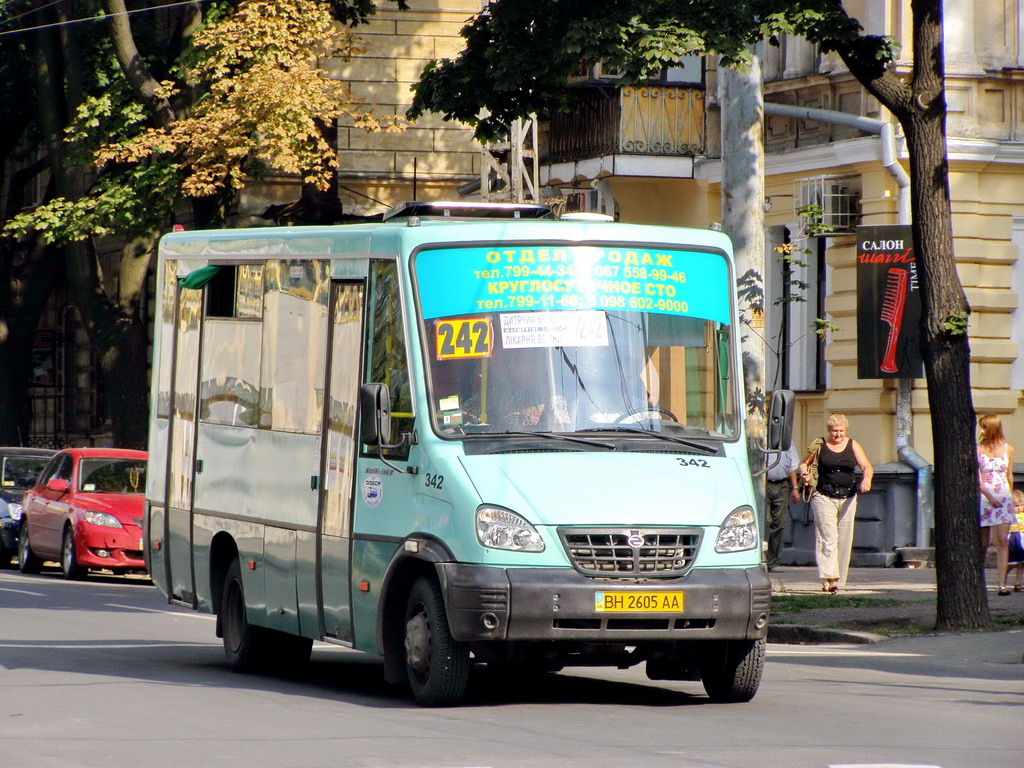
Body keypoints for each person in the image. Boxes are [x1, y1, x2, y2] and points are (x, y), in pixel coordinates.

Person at [797, 414, 873, 594]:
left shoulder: (853, 444)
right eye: (834, 431)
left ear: (846, 430)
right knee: (828, 537)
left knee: (845, 538)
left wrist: (867, 479)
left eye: (841, 431)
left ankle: (839, 578)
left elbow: (866, 466)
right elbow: (803, 463)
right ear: (828, 430)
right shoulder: (819, 444)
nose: (838, 435)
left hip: (848, 496)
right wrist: (804, 475)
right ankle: (830, 578)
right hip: (823, 495)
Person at [977, 413, 1016, 596]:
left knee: (1002, 541)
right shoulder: (977, 450)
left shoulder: (1008, 449)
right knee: (983, 542)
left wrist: (1010, 496)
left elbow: (1009, 474)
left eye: (983, 426)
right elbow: (978, 479)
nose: (981, 430)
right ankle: (978, 580)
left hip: (1003, 499)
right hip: (985, 498)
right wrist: (989, 496)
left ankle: (1001, 584)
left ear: (991, 428)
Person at [764, 440, 800, 571]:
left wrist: (795, 488)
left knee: (778, 524)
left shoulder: (788, 442)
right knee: (765, 522)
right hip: (763, 484)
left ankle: (772, 562)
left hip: (782, 485)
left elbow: (792, 467)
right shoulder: (760, 439)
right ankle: (761, 558)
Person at [1007, 489, 1024, 593]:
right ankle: (1002, 578)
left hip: (1022, 541)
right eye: (1016, 506)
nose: (1019, 508)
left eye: (1021, 505)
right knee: (1012, 563)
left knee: (1021, 564)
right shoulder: (1009, 516)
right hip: (1013, 540)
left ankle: (1018, 583)